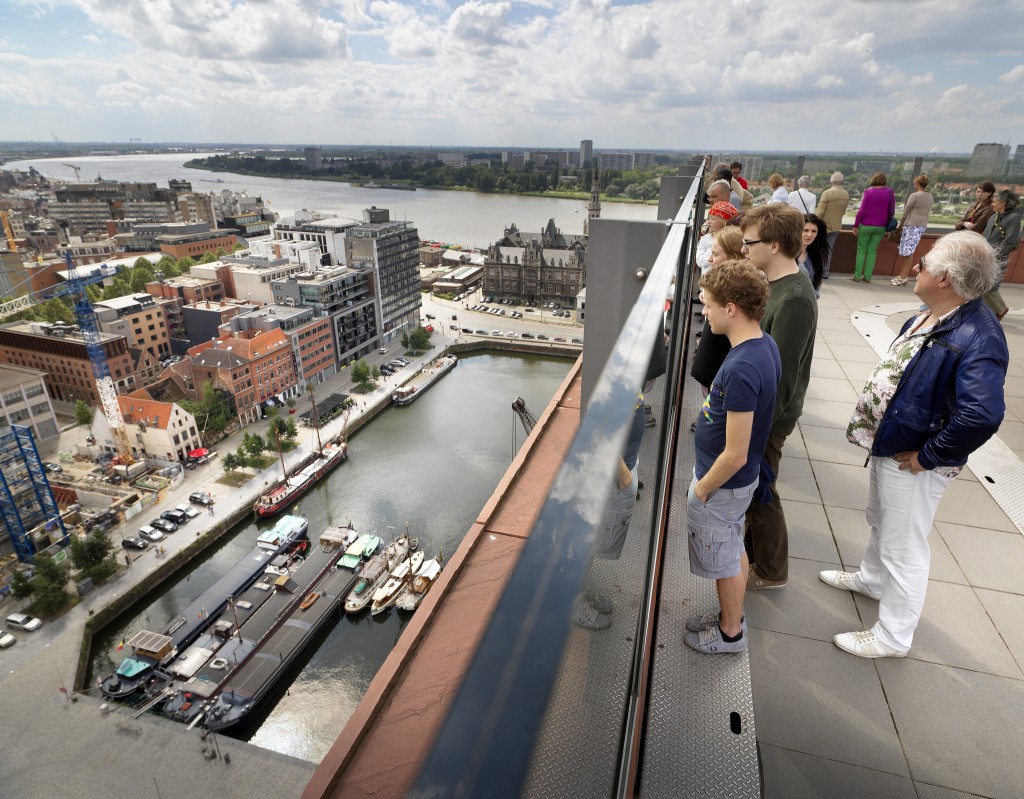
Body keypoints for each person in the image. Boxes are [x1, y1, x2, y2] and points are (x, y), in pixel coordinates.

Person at [822, 231, 1008, 658]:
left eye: (924, 262)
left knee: (904, 545)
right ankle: (871, 580)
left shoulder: (979, 336)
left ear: (946, 278)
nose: (917, 266)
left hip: (914, 457)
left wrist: (930, 456)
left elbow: (982, 414)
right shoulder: (932, 313)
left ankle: (893, 637)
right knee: (882, 519)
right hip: (895, 444)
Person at [683, 260, 780, 654]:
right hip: (734, 488)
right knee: (732, 550)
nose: (703, 313)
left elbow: (736, 454)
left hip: (722, 486)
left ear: (731, 308)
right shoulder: (763, 345)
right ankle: (732, 616)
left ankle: (730, 634)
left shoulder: (741, 366)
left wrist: (703, 489)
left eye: (707, 305)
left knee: (723, 561)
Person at [739, 204, 818, 590]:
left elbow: (783, 378)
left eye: (749, 242)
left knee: (761, 490)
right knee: (755, 489)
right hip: (758, 414)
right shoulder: (777, 285)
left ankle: (771, 571)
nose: (743, 248)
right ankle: (755, 557)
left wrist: (755, 431)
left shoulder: (795, 299)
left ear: (773, 246)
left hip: (768, 418)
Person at [690, 226, 746, 392]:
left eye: (715, 254)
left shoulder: (737, 287)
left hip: (718, 348)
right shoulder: (725, 281)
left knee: (710, 386)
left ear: (733, 256)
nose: (710, 260)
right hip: (714, 345)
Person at [980, 189, 1022, 320]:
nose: (992, 203)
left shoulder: (1014, 218)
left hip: (997, 258)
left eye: (994, 201)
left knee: (991, 286)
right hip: (984, 256)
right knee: (981, 284)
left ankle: (1001, 309)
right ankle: (987, 311)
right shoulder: (994, 217)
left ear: (1003, 202)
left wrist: (995, 255)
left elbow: (1009, 240)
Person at [890, 175, 935, 286]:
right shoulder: (930, 196)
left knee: (907, 253)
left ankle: (903, 277)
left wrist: (900, 225)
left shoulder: (914, 196)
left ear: (917, 184)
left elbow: (906, 212)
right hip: (921, 226)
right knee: (908, 252)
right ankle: (902, 276)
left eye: (915, 183)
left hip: (911, 226)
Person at [852, 171, 896, 282]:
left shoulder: (868, 192)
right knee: (872, 251)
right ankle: (867, 277)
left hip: (866, 225)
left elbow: (862, 210)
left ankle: (857, 276)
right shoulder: (890, 192)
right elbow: (891, 210)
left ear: (873, 180)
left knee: (861, 251)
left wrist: (856, 225)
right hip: (881, 226)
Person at [815, 172, 850, 278]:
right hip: (836, 225)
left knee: (819, 249)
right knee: (829, 249)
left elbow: (820, 212)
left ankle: (817, 271)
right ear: (841, 182)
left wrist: (815, 221)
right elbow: (844, 211)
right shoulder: (846, 194)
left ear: (831, 181)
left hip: (824, 226)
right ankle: (825, 272)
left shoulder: (827, 193)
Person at [695, 201, 738, 274]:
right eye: (709, 218)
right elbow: (699, 261)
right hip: (707, 281)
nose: (708, 222)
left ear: (724, 222)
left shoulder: (731, 240)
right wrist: (714, 247)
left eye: (713, 219)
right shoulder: (705, 239)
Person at [797, 214, 828, 297]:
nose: (809, 235)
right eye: (806, 230)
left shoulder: (814, 256)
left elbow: (815, 285)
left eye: (814, 231)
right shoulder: (787, 255)